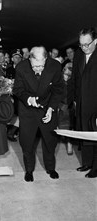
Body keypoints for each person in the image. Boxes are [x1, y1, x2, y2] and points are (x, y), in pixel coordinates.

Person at [13, 46, 63, 182]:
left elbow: (58, 89)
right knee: (27, 142)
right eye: (35, 66)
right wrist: (28, 99)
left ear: (46, 59)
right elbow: (17, 89)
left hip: (47, 108)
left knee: (50, 141)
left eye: (41, 66)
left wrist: (51, 108)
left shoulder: (55, 66)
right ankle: (29, 170)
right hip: (28, 109)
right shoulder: (21, 68)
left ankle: (50, 168)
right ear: (29, 59)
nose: (38, 69)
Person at [73, 27, 97, 178]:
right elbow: (75, 79)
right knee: (85, 134)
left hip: (96, 103)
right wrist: (74, 99)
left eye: (87, 44)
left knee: (96, 135)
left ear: (96, 41)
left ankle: (96, 167)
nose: (84, 48)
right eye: (81, 44)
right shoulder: (78, 55)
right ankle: (87, 162)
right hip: (82, 103)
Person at [58, 62, 74, 155]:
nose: (68, 71)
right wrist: (60, 105)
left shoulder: (74, 81)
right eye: (67, 68)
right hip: (60, 107)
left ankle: (69, 143)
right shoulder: (58, 81)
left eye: (71, 69)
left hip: (70, 107)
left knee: (70, 126)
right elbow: (54, 95)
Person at [6, 49, 23, 141]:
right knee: (11, 114)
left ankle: (12, 132)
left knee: (21, 114)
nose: (17, 59)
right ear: (12, 59)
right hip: (11, 95)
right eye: (16, 57)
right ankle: (11, 132)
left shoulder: (24, 69)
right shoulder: (9, 69)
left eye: (19, 57)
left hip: (21, 96)